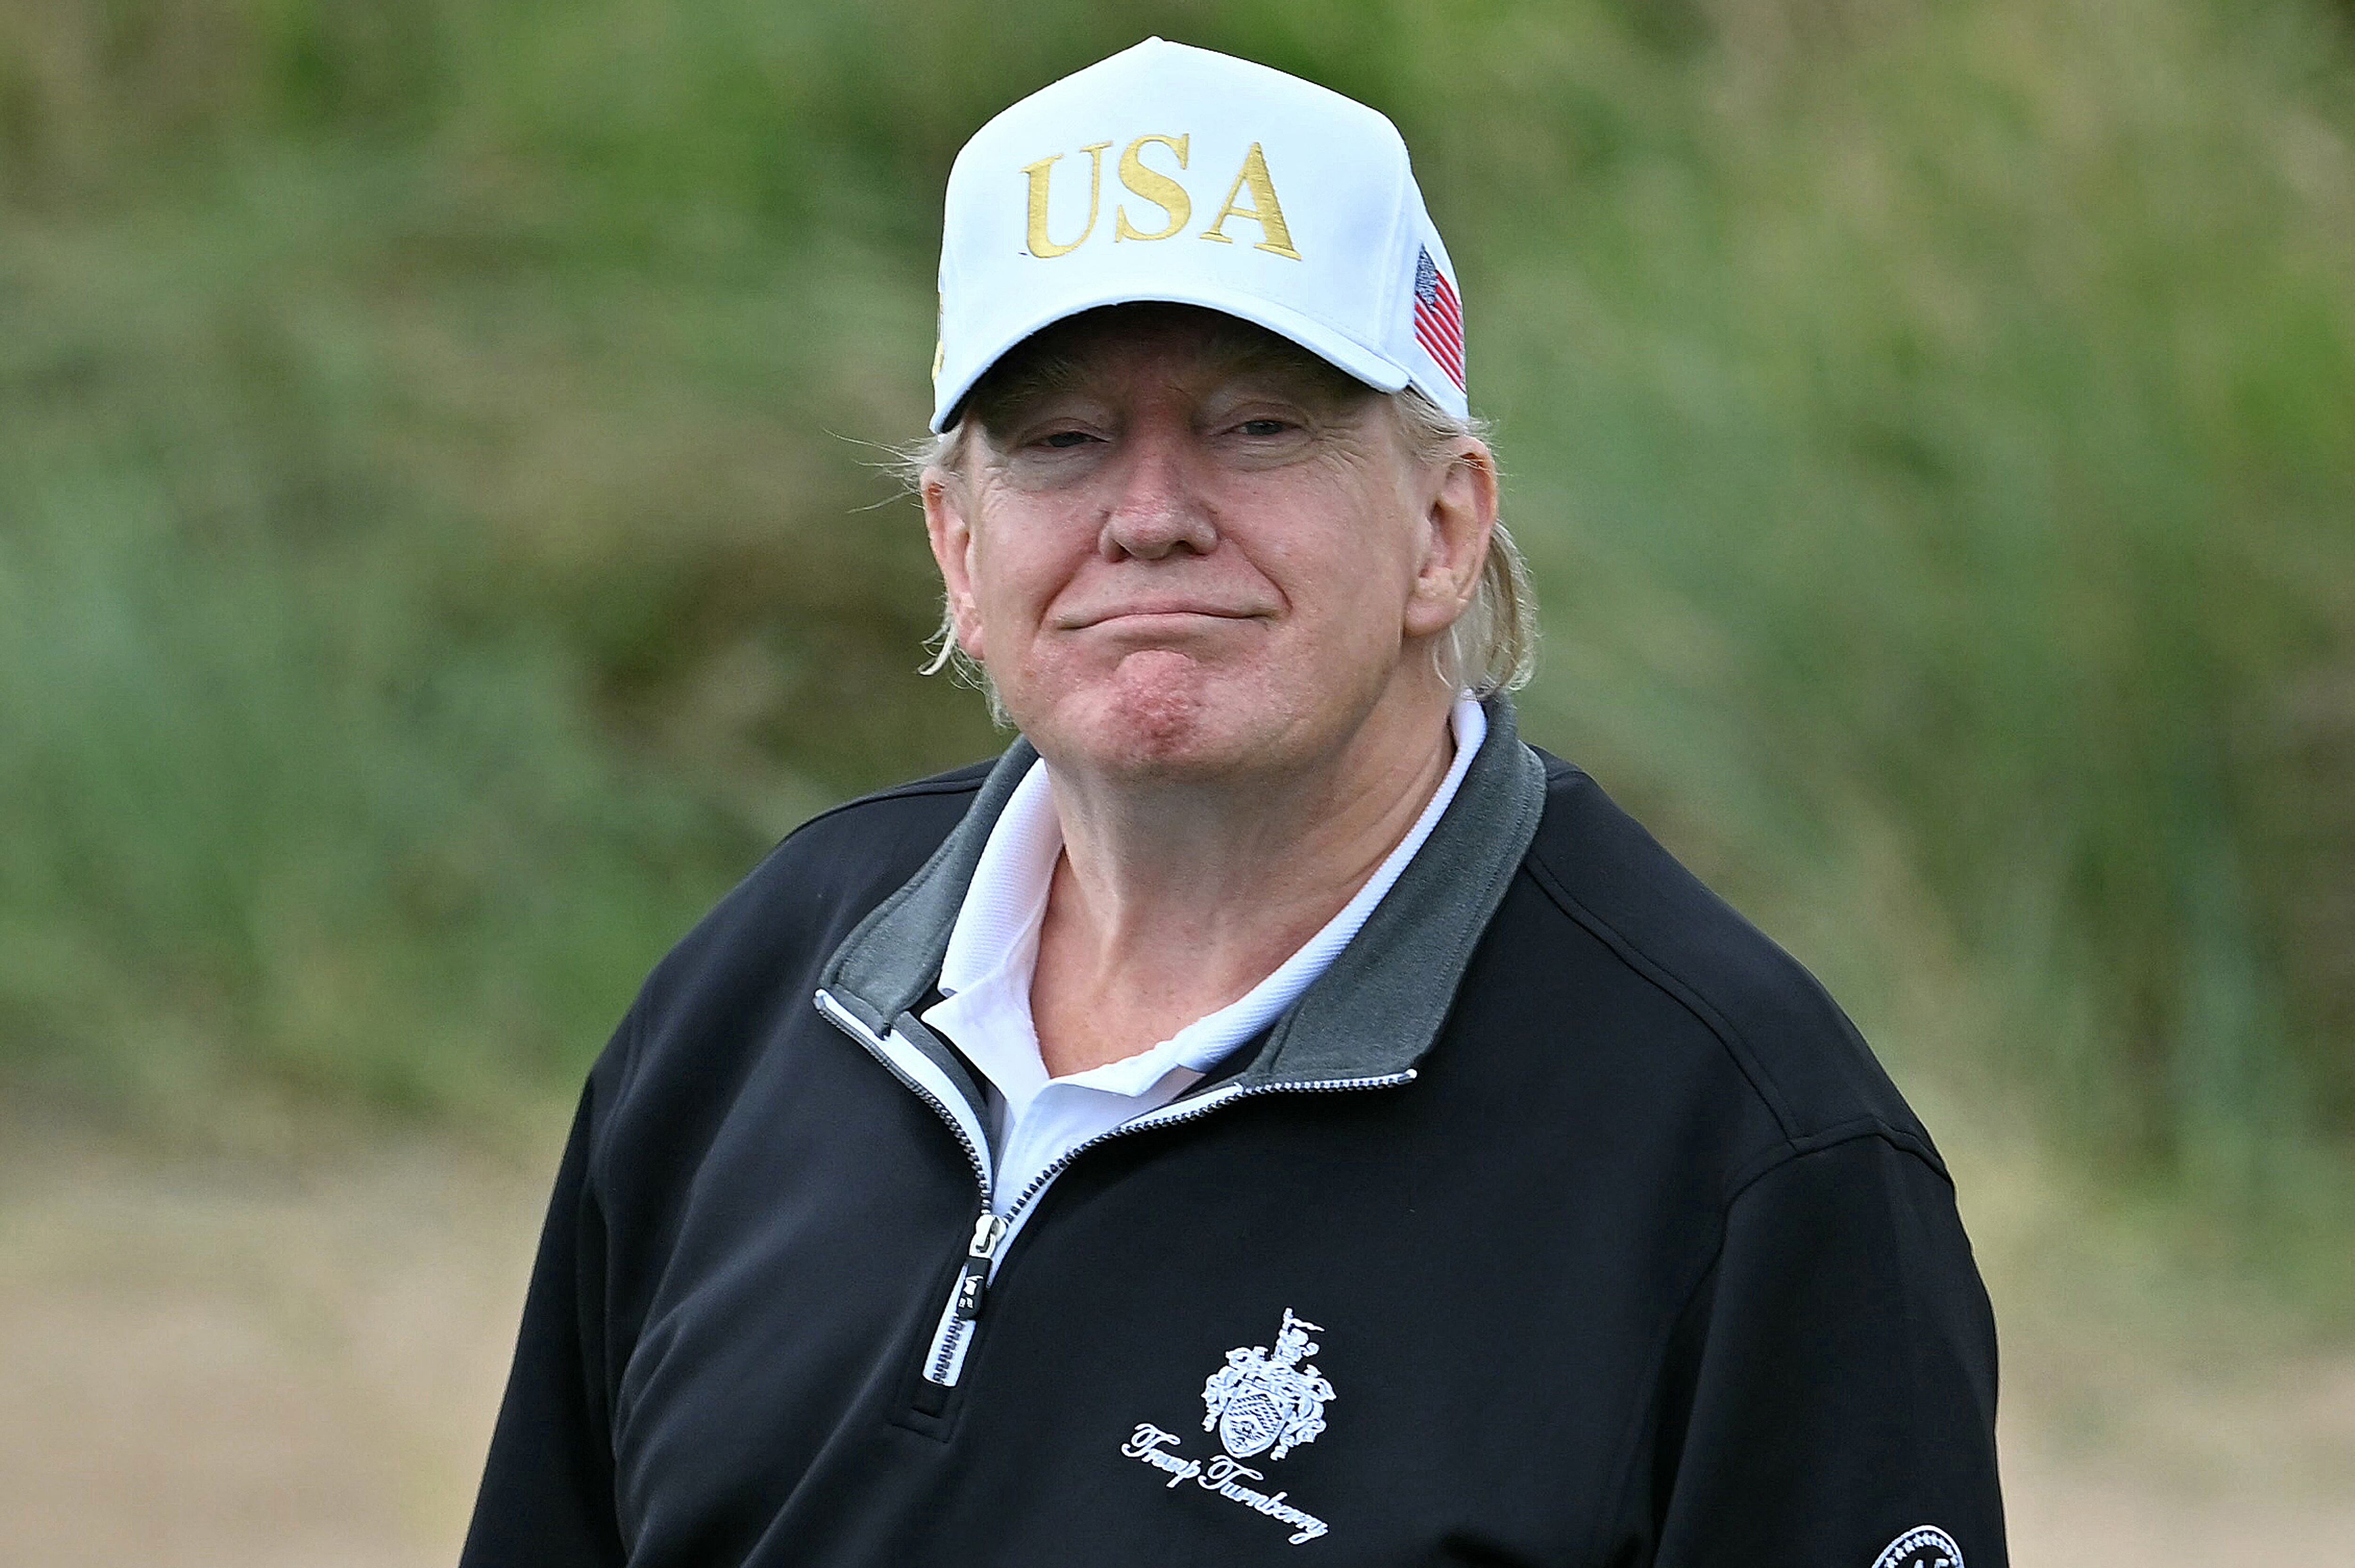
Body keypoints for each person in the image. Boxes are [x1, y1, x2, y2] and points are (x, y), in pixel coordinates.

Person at [460, 38, 2005, 1568]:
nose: (1149, 516)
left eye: (1257, 425)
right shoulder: (755, 999)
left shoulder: (1752, 1156)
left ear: (1443, 526)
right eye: (1059, 440)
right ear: (958, 548)